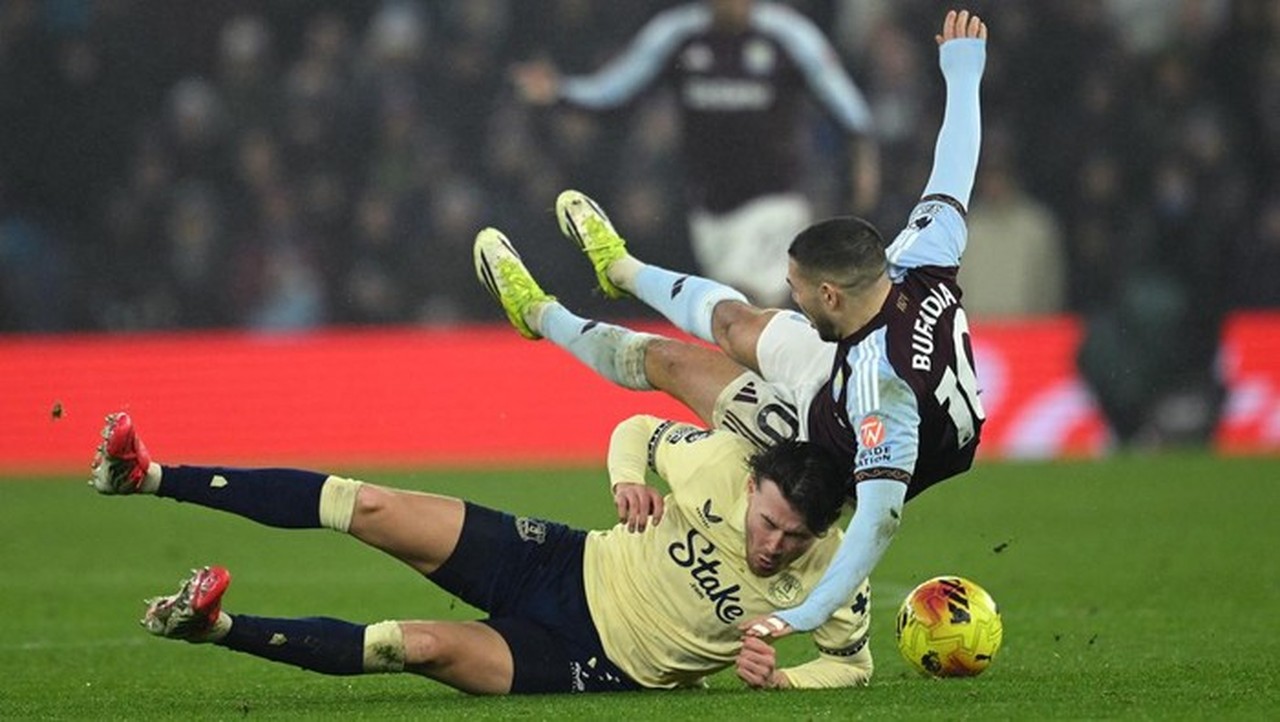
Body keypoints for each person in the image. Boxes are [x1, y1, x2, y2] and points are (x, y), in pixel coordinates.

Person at [476, 9, 989, 638]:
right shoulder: (917, 256)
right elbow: (954, 166)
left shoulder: (878, 394)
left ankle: (538, 314)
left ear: (830, 294)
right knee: (736, 324)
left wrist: (803, 614)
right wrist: (964, 73)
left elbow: (877, 521)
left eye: (799, 295)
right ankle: (624, 267)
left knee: (668, 362)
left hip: (831, 452)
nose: (792, 303)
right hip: (847, 363)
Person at [89, 410, 872, 694]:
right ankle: (147, 475)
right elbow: (638, 427)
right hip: (565, 561)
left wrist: (783, 682)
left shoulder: (839, 570)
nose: (770, 546)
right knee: (368, 505)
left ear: (825, 530)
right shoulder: (720, 464)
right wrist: (627, 478)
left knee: (413, 644)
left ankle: (215, 628)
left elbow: (853, 663)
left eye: (791, 537)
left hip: (595, 659)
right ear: (754, 484)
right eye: (764, 521)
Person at [510, 0, 880, 307]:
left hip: (775, 197)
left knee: (753, 300)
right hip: (708, 204)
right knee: (734, 307)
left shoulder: (788, 35)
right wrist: (560, 92)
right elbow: (617, 90)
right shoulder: (678, 34)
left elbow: (846, 105)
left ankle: (789, 387)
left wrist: (864, 162)